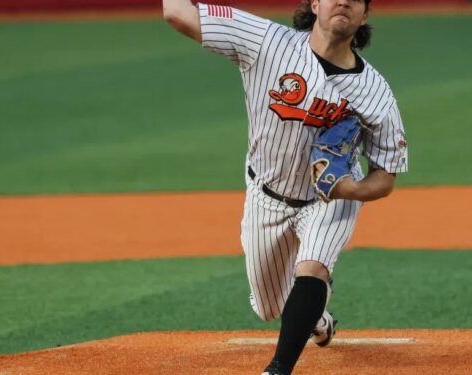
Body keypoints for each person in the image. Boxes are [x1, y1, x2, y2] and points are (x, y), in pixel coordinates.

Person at [163, 0, 408, 373]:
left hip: (328, 199)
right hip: (266, 195)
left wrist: (349, 191)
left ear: (364, 16)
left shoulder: (375, 92)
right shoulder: (266, 42)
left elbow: (386, 174)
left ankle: (277, 368)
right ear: (315, 4)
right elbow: (177, 13)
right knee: (269, 308)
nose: (343, 0)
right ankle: (318, 318)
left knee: (313, 268)